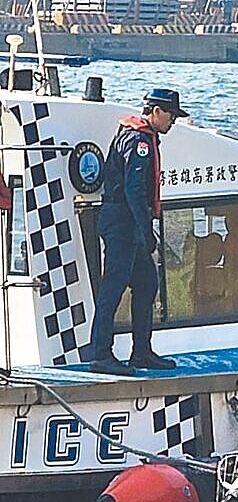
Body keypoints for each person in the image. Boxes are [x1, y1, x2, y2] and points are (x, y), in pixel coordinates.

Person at [89, 88, 188, 376]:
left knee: (146, 284)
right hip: (123, 222)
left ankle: (141, 351)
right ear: (156, 112)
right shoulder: (138, 140)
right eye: (171, 115)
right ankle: (101, 354)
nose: (173, 122)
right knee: (113, 288)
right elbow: (134, 190)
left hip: (127, 221)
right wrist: (146, 230)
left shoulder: (142, 137)